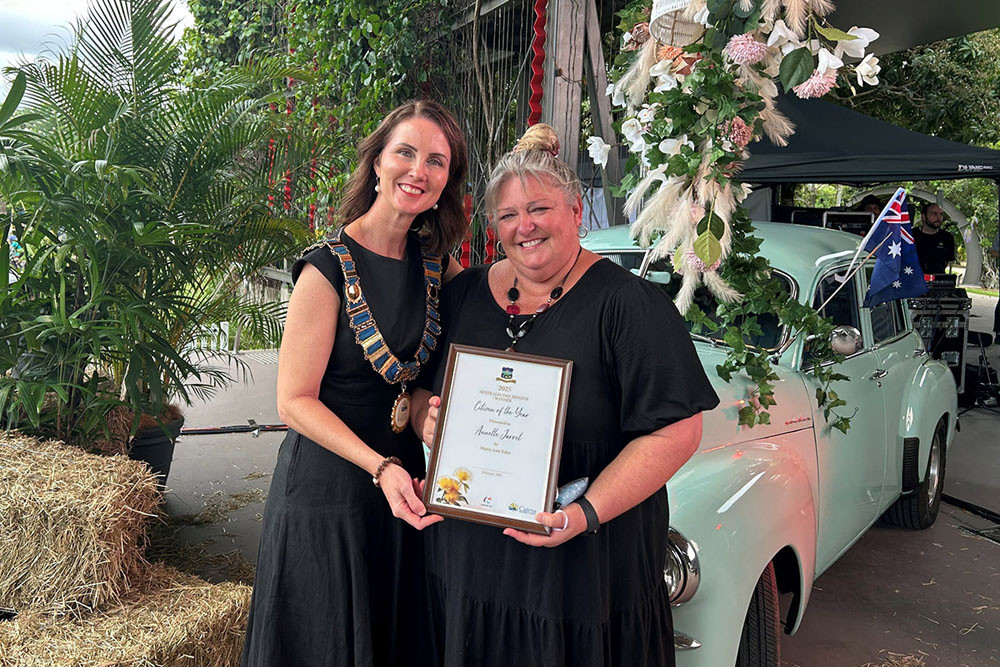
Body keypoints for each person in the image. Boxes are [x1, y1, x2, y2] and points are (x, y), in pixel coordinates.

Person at [411, 124, 720, 666]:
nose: (524, 226)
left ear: (576, 210)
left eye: (539, 209)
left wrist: (585, 513)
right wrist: (426, 423)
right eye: (507, 216)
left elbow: (677, 431)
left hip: (582, 569)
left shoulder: (631, 306)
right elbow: (418, 394)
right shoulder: (462, 295)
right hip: (469, 565)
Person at [241, 100, 468, 667]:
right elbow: (294, 402)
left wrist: (424, 416)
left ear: (446, 183)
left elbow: (417, 381)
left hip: (404, 490)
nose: (419, 170)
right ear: (377, 164)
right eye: (406, 153)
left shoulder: (441, 269)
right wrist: (381, 466)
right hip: (329, 489)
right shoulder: (324, 268)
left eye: (436, 161)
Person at [913, 202, 956, 275]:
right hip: (914, 279)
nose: (939, 217)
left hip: (938, 281)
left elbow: (947, 261)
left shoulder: (947, 238)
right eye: (934, 214)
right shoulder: (911, 235)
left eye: (941, 214)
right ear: (923, 217)